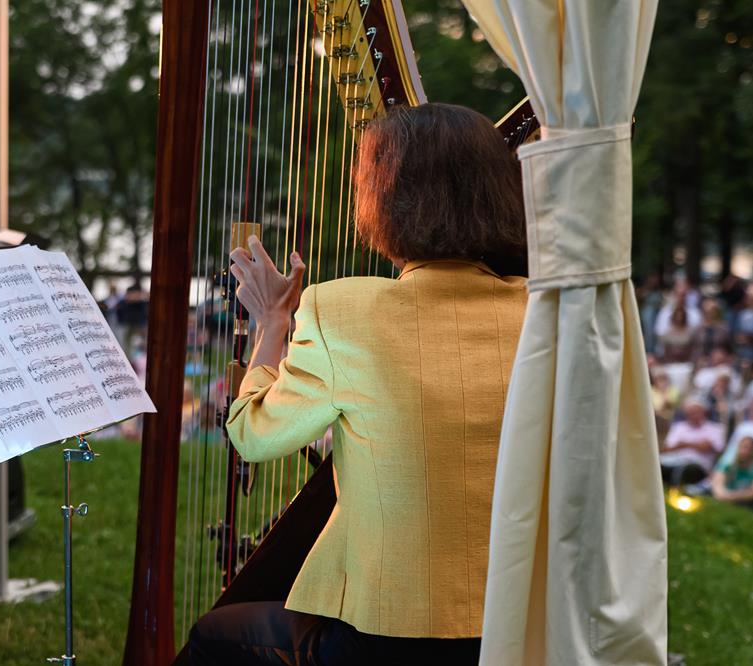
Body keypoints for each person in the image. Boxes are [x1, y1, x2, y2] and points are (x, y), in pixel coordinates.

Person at [187, 103, 528, 665]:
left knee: (214, 635)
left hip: (390, 636)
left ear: (385, 201)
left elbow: (252, 435)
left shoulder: (342, 310)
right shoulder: (541, 310)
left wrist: (272, 322)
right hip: (522, 627)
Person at [660, 397, 726, 486]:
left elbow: (711, 448)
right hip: (674, 461)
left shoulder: (715, 428)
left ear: (704, 412)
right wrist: (696, 445)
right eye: (689, 413)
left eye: (695, 412)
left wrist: (683, 444)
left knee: (687, 470)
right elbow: (667, 449)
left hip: (699, 466)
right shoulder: (679, 427)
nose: (692, 415)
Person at [711, 436, 753, 512]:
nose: (743, 451)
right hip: (727, 504)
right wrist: (724, 495)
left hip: (751, 507)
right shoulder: (728, 466)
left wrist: (730, 496)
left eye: (748, 448)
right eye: (742, 447)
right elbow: (717, 486)